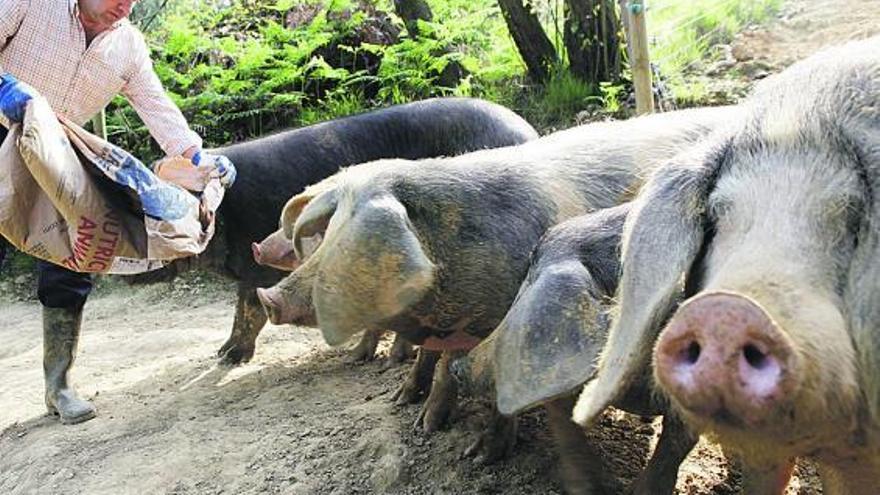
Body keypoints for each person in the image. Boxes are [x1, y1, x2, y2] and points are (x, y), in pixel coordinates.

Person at [0, 0, 235, 424]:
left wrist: (200, 158)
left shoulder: (128, 45)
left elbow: (158, 109)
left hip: (59, 153)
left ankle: (58, 386)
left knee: (75, 256)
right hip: (1, 131)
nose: (125, 6)